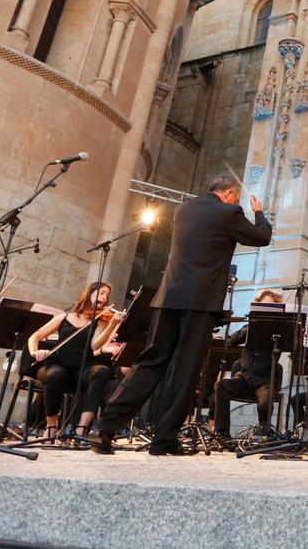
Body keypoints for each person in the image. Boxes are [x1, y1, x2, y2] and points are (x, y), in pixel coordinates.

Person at [91, 173, 273, 456]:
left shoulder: (183, 209)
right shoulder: (229, 212)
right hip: (199, 303)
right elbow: (262, 237)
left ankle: (104, 427)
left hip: (168, 298)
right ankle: (164, 439)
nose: (237, 202)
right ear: (228, 194)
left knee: (150, 362)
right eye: (235, 197)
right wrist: (259, 212)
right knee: (185, 371)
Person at [26, 282, 125, 438]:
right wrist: (34, 351)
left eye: (107, 295)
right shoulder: (65, 317)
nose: (105, 297)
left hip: (81, 368)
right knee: (56, 375)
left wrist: (111, 325)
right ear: (89, 294)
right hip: (56, 364)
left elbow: (95, 345)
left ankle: (82, 428)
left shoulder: (100, 321)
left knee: (101, 371)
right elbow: (35, 336)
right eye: (101, 293)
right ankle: (51, 426)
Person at [211, 289, 285, 442]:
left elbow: (294, 345)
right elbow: (232, 341)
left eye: (270, 307)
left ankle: (263, 433)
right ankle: (222, 433)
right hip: (244, 377)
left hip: (265, 380)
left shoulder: (281, 331)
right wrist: (219, 338)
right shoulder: (250, 327)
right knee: (222, 385)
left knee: (265, 401)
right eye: (263, 306)